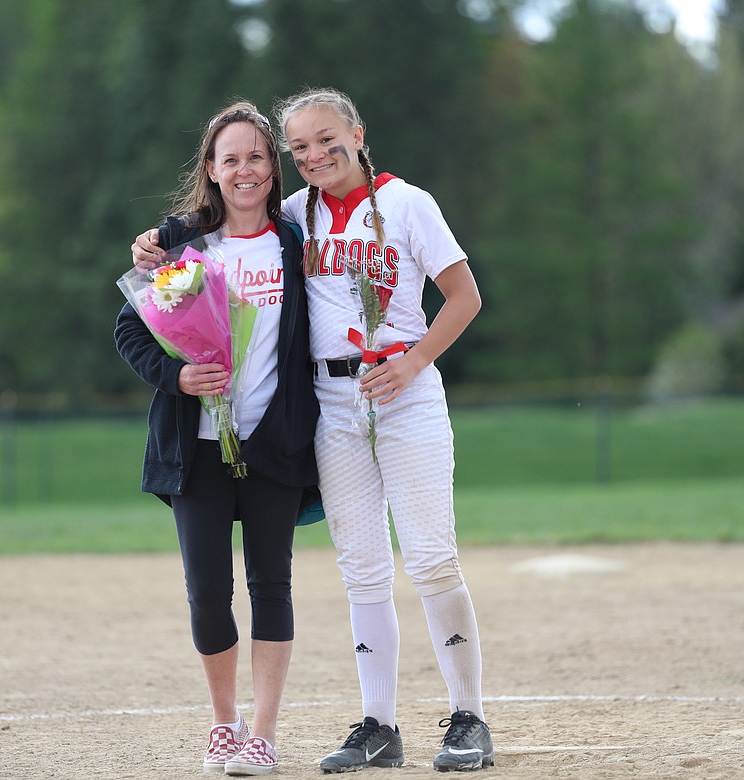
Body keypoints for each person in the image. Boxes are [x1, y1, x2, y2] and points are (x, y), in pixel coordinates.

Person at [134, 86, 492, 774]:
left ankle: (469, 717)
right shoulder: (296, 215)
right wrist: (155, 241)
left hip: (405, 395)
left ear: (358, 133)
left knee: (429, 557)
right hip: (331, 404)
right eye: (299, 146)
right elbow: (221, 222)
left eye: (327, 139)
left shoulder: (409, 204)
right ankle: (379, 726)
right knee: (361, 569)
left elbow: (465, 296)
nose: (315, 155)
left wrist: (415, 361)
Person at [114, 100, 319, 776]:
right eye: (231, 158)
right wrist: (177, 379)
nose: (246, 169)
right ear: (211, 168)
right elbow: (128, 331)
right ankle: (224, 724)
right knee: (206, 590)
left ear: (274, 167)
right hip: (197, 448)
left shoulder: (297, 238)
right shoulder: (179, 244)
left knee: (272, 583)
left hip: (274, 446)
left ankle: (262, 733)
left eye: (257, 156)